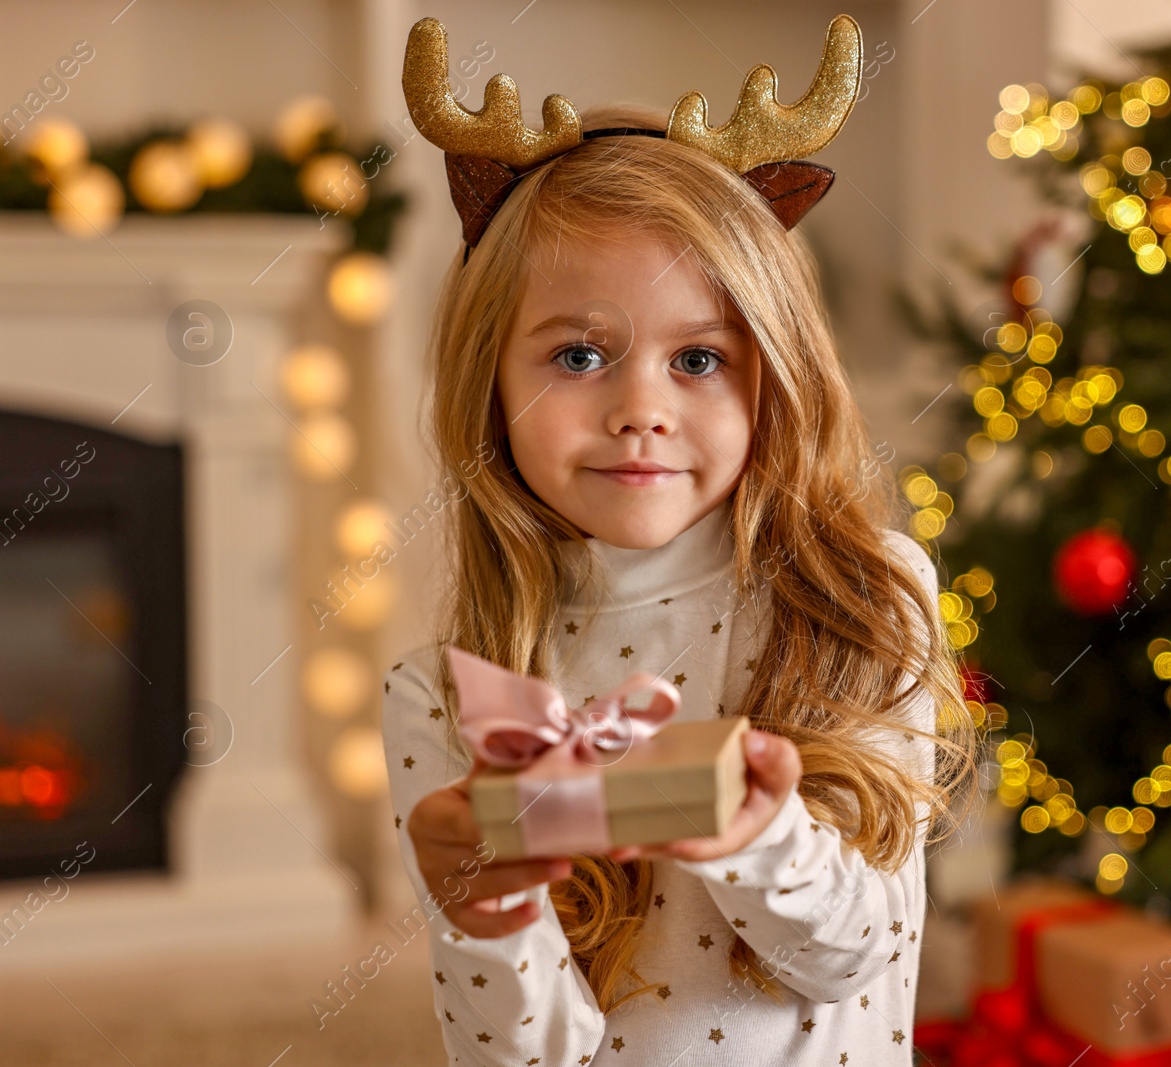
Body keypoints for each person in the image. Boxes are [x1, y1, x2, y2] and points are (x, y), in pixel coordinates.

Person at [381, 15, 979, 1065]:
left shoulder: (869, 593)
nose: (639, 408)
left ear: (775, 373)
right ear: (489, 386)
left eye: (698, 359)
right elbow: (516, 1054)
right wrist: (482, 908)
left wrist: (756, 832)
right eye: (577, 353)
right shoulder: (445, 689)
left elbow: (855, 948)